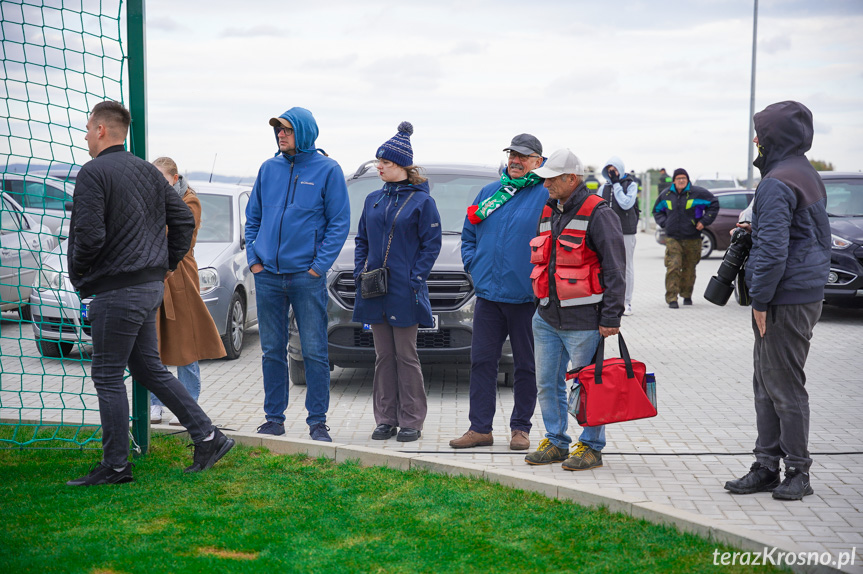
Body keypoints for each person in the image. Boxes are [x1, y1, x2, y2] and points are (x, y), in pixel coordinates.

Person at [66, 101, 233, 486]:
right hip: (148, 288)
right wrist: (164, 265)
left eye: (88, 129)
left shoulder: (92, 173)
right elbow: (180, 220)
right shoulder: (147, 171)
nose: (87, 136)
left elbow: (88, 236)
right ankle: (208, 437)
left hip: (117, 290)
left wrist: (83, 274)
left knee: (107, 375)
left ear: (102, 130)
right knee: (148, 369)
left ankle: (117, 466)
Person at [724, 101, 831, 501]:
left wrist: (761, 302)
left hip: (784, 299)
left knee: (783, 386)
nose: (756, 140)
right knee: (768, 383)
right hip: (800, 293)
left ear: (775, 138)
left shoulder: (777, 181)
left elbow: (772, 251)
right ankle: (766, 466)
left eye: (761, 134)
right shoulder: (804, 173)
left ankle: (797, 472)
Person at [245, 107, 350, 442]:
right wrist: (254, 260)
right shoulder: (268, 168)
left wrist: (318, 267)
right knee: (271, 350)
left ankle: (317, 421)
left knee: (315, 351)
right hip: (268, 276)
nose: (280, 135)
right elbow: (253, 219)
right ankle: (273, 418)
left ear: (303, 132)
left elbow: (339, 223)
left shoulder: (328, 170)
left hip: (306, 277)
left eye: (287, 130)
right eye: (277, 130)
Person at [523, 149, 625, 471]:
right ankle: (556, 441)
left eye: (552, 179)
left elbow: (615, 268)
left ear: (572, 178)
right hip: (547, 318)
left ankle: (592, 446)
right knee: (547, 383)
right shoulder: (549, 210)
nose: (546, 185)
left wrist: (611, 317)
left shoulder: (599, 213)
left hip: (584, 322)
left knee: (588, 386)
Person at [449, 134, 548, 451]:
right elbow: (469, 233)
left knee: (525, 366)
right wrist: (472, 264)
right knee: (481, 363)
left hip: (526, 298)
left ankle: (520, 428)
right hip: (489, 296)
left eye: (522, 156)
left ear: (538, 162)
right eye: (511, 155)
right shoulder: (489, 193)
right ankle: (480, 429)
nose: (515, 161)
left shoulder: (544, 195)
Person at [353, 122, 442, 443]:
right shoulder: (372, 199)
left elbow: (432, 244)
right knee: (383, 356)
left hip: (406, 291)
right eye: (379, 162)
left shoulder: (422, 202)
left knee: (406, 356)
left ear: (402, 166)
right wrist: (359, 271)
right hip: (374, 289)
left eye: (386, 163)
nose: (380, 167)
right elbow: (361, 239)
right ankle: (385, 418)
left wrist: (415, 279)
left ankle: (412, 421)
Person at [149, 157, 226, 426]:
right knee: (153, 342)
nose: (156, 183)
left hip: (181, 277)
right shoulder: (152, 197)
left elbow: (180, 236)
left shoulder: (189, 200)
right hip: (155, 275)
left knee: (186, 343)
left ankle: (188, 403)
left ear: (174, 177)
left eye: (161, 178)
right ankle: (154, 404)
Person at [652, 168, 718, 308]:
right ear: (674, 180)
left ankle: (687, 295)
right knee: (673, 266)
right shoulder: (666, 195)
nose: (681, 180)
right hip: (672, 238)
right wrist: (665, 223)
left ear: (687, 180)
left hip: (692, 237)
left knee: (689, 267)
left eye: (684, 178)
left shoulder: (698, 193)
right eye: (678, 178)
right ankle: (672, 298)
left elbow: (714, 204)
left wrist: (704, 221)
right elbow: (657, 211)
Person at [599, 157, 639, 316]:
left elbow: (626, 203)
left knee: (626, 266)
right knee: (605, 266)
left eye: (614, 170)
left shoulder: (631, 185)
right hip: (607, 231)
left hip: (626, 231)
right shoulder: (603, 188)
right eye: (609, 170)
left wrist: (616, 184)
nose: (611, 173)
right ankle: (607, 300)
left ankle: (626, 302)